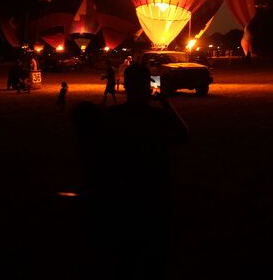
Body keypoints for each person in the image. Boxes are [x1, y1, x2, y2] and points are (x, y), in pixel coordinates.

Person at [72, 62, 188, 278]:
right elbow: (183, 136)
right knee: (153, 256)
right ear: (148, 86)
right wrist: (166, 104)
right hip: (154, 198)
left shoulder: (111, 116)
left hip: (120, 198)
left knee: (124, 256)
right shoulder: (157, 117)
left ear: (124, 87)